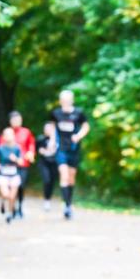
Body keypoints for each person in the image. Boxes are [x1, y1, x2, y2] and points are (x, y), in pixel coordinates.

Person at [51, 90, 89, 220]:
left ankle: (69, 202)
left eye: (68, 100)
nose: (65, 102)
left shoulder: (78, 113)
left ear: (72, 100)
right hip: (61, 148)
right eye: (63, 100)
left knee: (71, 178)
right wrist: (52, 140)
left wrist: (78, 136)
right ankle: (66, 206)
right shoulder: (56, 113)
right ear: (60, 101)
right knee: (64, 175)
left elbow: (86, 126)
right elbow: (51, 127)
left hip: (74, 149)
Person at [2, 110, 35, 218]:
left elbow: (31, 144)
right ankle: (13, 208)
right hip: (10, 165)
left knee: (21, 185)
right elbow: (1, 148)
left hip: (23, 163)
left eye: (19, 119)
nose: (17, 121)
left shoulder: (26, 132)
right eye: (14, 120)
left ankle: (20, 206)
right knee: (11, 187)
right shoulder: (7, 133)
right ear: (10, 121)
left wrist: (31, 153)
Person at [0, 127, 23, 224]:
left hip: (14, 174)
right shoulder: (0, 148)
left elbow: (21, 161)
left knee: (12, 196)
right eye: (6, 135)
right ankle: (2, 201)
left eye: (10, 134)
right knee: (6, 194)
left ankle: (9, 213)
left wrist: (15, 159)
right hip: (3, 174)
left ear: (13, 136)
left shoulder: (17, 148)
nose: (8, 137)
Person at [36, 121, 59, 211]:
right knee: (47, 180)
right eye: (46, 129)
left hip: (54, 163)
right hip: (44, 163)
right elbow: (38, 149)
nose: (47, 130)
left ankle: (48, 199)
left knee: (52, 181)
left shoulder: (58, 139)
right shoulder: (41, 139)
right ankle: (46, 200)